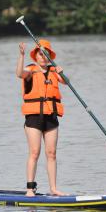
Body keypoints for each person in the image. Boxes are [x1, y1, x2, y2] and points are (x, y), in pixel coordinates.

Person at [16, 40, 66, 197]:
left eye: (46, 54)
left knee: (51, 153)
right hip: (34, 117)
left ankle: (54, 188)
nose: (43, 57)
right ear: (35, 56)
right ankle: (30, 189)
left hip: (51, 116)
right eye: (40, 53)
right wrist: (22, 56)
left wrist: (61, 72)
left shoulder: (53, 71)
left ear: (50, 56)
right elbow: (19, 74)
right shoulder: (30, 70)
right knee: (35, 152)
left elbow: (66, 82)